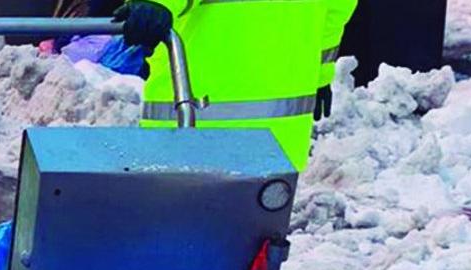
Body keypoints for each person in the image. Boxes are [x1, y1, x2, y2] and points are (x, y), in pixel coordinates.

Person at [112, 0, 358, 170]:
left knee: (175, 237)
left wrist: (155, 5)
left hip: (193, 126)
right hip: (278, 136)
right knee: (252, 237)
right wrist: (320, 75)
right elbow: (334, 15)